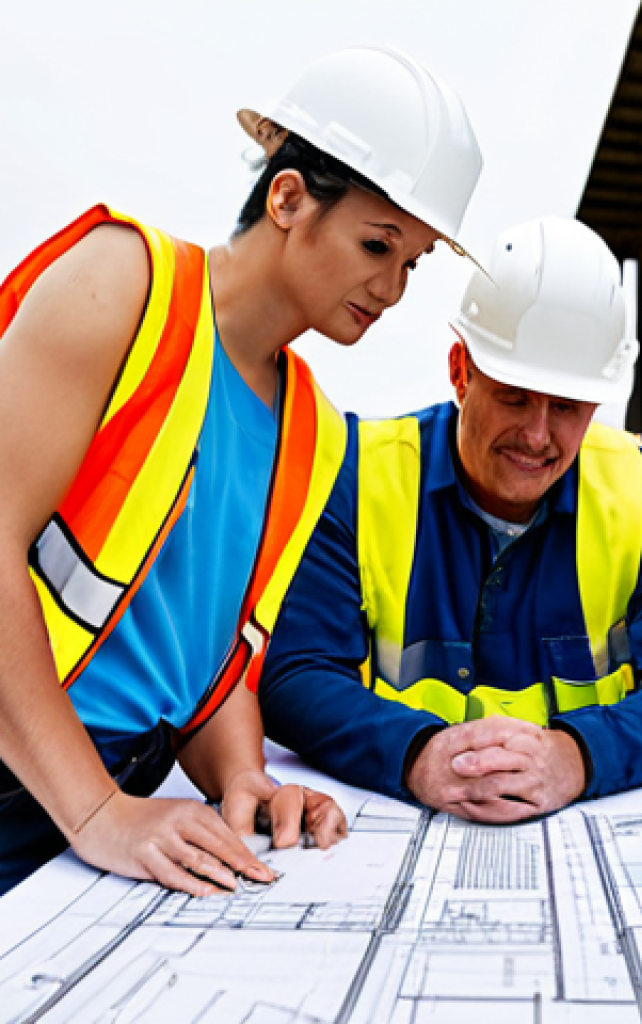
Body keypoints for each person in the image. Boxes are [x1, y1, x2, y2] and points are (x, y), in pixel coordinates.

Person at [0, 47, 482, 897]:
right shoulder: (122, 286)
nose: (394, 288)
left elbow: (204, 651)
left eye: (413, 262)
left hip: (116, 797)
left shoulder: (314, 428)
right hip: (36, 783)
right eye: (378, 244)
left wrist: (241, 778)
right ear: (287, 196)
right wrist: (95, 812)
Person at [259, 216, 642, 823]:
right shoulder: (352, 477)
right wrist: (418, 755)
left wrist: (577, 757)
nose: (537, 436)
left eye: (566, 407)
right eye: (514, 396)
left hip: (578, 826)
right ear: (461, 370)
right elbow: (294, 676)